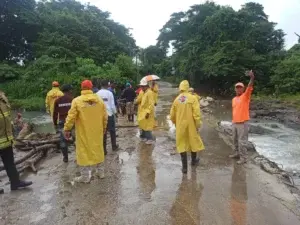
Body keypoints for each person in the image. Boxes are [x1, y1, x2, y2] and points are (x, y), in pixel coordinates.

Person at [64, 80, 107, 183]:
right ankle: (101, 173)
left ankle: (85, 177)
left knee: (83, 152)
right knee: (98, 149)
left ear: (82, 88)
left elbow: (71, 117)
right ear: (91, 88)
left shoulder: (77, 101)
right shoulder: (99, 100)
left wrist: (67, 129)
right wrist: (104, 127)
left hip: (83, 131)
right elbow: (105, 116)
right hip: (97, 131)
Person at [0, 91, 32, 194]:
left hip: (7, 140)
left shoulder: (3, 99)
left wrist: (15, 121)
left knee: (10, 162)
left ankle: (15, 182)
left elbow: (6, 119)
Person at [170, 80, 205, 174]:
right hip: (191, 125)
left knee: (182, 144)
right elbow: (197, 114)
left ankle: (184, 168)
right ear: (188, 87)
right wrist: (198, 125)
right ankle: (193, 161)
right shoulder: (193, 98)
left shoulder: (176, 100)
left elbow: (172, 115)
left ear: (180, 87)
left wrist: (176, 123)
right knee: (193, 142)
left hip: (180, 126)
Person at [229, 70, 255, 164]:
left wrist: (252, 77)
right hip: (235, 122)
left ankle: (244, 158)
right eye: (237, 88)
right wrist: (233, 121)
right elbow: (235, 111)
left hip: (243, 123)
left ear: (243, 89)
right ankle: (236, 153)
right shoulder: (234, 99)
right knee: (234, 140)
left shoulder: (245, 96)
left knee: (242, 142)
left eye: (240, 88)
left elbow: (250, 86)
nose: (238, 89)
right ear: (235, 89)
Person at [97, 80, 119, 154]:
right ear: (107, 85)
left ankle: (104, 150)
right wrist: (115, 113)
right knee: (112, 131)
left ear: (100, 85)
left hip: (101, 116)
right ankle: (114, 146)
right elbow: (112, 105)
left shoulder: (97, 94)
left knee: (103, 132)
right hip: (109, 114)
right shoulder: (109, 93)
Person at [53, 84, 73, 163]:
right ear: (69, 90)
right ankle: (78, 156)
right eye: (71, 90)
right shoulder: (72, 99)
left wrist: (55, 124)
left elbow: (55, 114)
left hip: (62, 122)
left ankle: (65, 158)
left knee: (63, 140)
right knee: (76, 139)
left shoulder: (57, 101)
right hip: (71, 121)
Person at [138, 79, 155, 145]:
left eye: (142, 86)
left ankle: (150, 139)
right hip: (143, 111)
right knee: (143, 124)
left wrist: (148, 112)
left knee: (147, 126)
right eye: (141, 86)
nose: (141, 88)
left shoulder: (149, 93)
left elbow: (151, 104)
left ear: (146, 86)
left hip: (148, 112)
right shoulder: (144, 92)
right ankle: (145, 137)